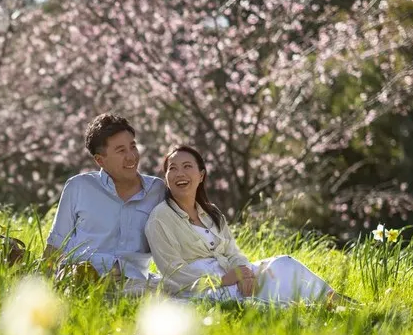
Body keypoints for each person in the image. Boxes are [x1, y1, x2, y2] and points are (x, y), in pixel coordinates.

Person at [144, 145, 345, 304]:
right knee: (260, 300)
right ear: (166, 179)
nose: (180, 173)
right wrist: (222, 280)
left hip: (232, 275)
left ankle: (340, 303)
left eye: (187, 166)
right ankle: (309, 307)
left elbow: (233, 252)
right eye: (173, 169)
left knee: (284, 263)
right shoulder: (159, 219)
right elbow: (174, 273)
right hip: (204, 290)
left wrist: (244, 273)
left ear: (201, 175)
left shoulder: (211, 213)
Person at [43, 113, 167, 293]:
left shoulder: (156, 190)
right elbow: (55, 245)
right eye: (121, 151)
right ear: (100, 160)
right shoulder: (79, 187)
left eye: (133, 147)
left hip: (135, 284)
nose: (131, 157)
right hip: (82, 281)